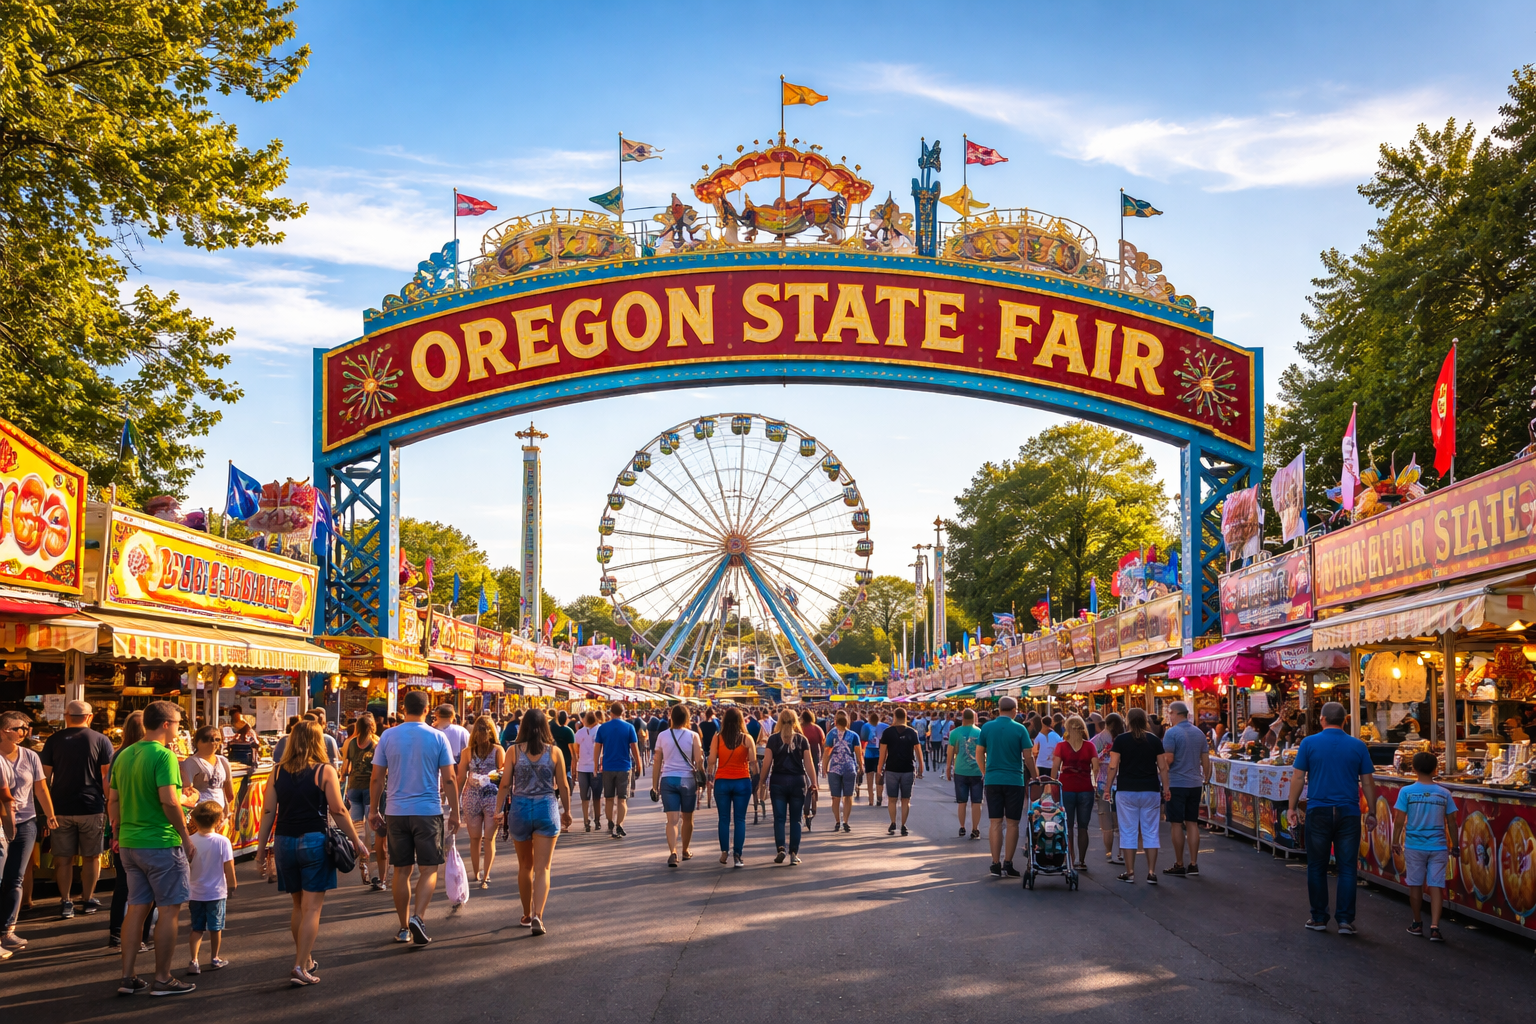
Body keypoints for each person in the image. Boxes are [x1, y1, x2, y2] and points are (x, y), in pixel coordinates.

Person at [256, 721, 364, 986]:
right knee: (312, 908)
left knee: (297, 906)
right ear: (319, 741)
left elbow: (268, 812)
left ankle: (305, 959)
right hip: (314, 841)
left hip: (284, 841)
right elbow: (338, 811)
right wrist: (356, 840)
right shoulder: (324, 771)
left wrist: (260, 850)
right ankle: (299, 966)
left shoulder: (277, 771)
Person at [109, 700, 195, 996]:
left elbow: (114, 799)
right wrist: (184, 835)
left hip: (131, 843)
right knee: (169, 911)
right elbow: (169, 800)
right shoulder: (164, 755)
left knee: (136, 909)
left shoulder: (124, 755)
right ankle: (162, 977)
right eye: (178, 724)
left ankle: (127, 975)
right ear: (166, 724)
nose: (179, 730)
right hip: (159, 841)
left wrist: (117, 831)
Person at [369, 689, 459, 947]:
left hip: (396, 812)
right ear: (428, 708)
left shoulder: (387, 735)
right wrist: (454, 812)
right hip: (428, 811)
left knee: (401, 871)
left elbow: (377, 777)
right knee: (429, 868)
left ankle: (403, 927)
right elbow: (450, 778)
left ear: (403, 708)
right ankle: (418, 916)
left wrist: (373, 810)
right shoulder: (438, 737)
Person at [1288, 701, 1377, 935]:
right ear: (1345, 720)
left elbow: (1298, 778)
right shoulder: (1358, 746)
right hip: (1348, 811)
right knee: (1347, 868)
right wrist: (1373, 811)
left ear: (1322, 719)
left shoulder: (1308, 743)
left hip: (1319, 811)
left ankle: (1318, 918)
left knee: (1316, 866)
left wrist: (1292, 807)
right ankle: (1345, 921)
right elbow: (1367, 781)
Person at [493, 708, 571, 935]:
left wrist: (498, 810)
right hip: (547, 808)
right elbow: (563, 785)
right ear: (546, 727)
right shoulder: (555, 752)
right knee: (543, 867)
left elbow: (505, 784)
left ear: (523, 726)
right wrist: (566, 811)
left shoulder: (513, 751)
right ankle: (539, 915)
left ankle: (527, 914)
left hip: (520, 808)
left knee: (525, 866)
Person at [40, 699, 114, 921]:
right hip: (92, 806)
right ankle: (88, 898)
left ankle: (66, 902)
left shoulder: (53, 741)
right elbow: (107, 776)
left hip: (60, 807)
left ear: (66, 716)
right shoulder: (101, 740)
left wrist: (48, 810)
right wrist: (109, 802)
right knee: (92, 857)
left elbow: (44, 778)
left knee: (63, 858)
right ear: (89, 717)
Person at [0, 709, 54, 954]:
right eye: (19, 728)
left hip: (25, 822)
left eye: (25, 729)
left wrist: (50, 815)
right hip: (1, 822)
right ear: (4, 731)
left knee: (15, 877)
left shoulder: (30, 756)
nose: (24, 733)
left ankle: (7, 930)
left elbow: (41, 788)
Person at [1392, 751, 1457, 942]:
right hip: (1438, 846)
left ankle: (1417, 922)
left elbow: (1399, 820)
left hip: (1414, 845)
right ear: (1436, 769)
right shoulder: (1444, 793)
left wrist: (1395, 840)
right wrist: (1455, 844)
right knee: (1436, 885)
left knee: (1415, 884)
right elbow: (1452, 822)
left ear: (1413, 769)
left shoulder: (1406, 792)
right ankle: (1435, 927)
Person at [1105, 707, 1168, 884]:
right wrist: (1167, 788)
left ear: (1128, 721)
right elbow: (1163, 767)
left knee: (1128, 831)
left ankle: (1130, 872)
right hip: (1150, 789)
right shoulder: (1154, 740)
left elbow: (1113, 766)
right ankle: (1151, 872)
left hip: (1126, 790)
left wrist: (1107, 788)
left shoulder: (1121, 740)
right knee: (1151, 831)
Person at [976, 696, 1037, 878]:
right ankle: (1008, 863)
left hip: (992, 779)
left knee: (995, 822)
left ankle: (995, 863)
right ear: (1015, 710)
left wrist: (984, 771)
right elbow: (1028, 757)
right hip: (1014, 781)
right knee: (1012, 823)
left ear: (998, 709)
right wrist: (1035, 777)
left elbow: (979, 752)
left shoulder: (986, 727)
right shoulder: (1020, 729)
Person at [1160, 701, 1211, 877]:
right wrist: (1206, 778)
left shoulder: (1171, 733)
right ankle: (1194, 863)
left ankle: (1179, 863)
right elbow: (1206, 759)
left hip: (1176, 783)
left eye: (1170, 713)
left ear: (1175, 713)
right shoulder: (1199, 733)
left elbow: (1169, 759)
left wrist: (1158, 765)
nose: (1169, 716)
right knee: (1192, 822)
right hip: (1195, 783)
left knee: (1176, 823)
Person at [184, 800, 235, 974]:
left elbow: (185, 865)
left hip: (195, 892)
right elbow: (228, 866)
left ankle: (193, 960)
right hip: (216, 892)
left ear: (195, 821)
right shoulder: (223, 842)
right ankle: (215, 957)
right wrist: (233, 885)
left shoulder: (189, 841)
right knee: (216, 927)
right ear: (219, 820)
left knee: (196, 928)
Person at [760, 710, 817, 865]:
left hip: (778, 781)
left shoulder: (773, 740)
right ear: (795, 721)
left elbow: (766, 764)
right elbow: (809, 763)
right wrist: (814, 782)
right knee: (796, 819)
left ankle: (781, 848)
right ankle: (794, 852)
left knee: (779, 818)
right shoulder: (802, 740)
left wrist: (762, 782)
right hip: (798, 782)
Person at [456, 715, 504, 889]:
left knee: (477, 838)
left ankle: (480, 874)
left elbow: (461, 778)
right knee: (485, 838)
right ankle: (483, 875)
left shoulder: (470, 752)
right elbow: (503, 776)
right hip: (489, 795)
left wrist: (456, 802)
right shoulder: (497, 750)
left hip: (475, 795)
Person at [651, 704, 701, 867]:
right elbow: (698, 761)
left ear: (671, 717)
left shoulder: (663, 736)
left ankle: (673, 852)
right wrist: (702, 778)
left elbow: (657, 760)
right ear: (687, 718)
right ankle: (685, 850)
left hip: (668, 779)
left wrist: (654, 784)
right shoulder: (693, 735)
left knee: (672, 820)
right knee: (687, 817)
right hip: (687, 779)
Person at [708, 707, 758, 867]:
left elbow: (711, 761)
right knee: (740, 819)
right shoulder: (747, 739)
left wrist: (710, 776)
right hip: (742, 781)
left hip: (722, 781)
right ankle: (737, 855)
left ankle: (724, 851)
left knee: (723, 819)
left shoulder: (718, 737)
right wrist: (757, 780)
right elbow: (753, 762)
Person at [340, 713, 384, 890]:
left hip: (353, 787)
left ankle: (360, 853)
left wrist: (342, 777)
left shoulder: (349, 743)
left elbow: (345, 765)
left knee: (357, 825)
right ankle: (366, 857)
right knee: (369, 827)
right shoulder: (376, 743)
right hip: (370, 788)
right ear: (372, 727)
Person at [1051, 714, 1099, 871]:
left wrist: (1052, 784)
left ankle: (1070, 858)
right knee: (1083, 827)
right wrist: (1094, 781)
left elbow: (1055, 767)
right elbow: (1096, 767)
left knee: (1068, 826)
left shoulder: (1061, 746)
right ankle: (1082, 860)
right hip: (1085, 788)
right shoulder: (1090, 746)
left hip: (1067, 788)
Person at [593, 703, 641, 838]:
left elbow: (597, 747)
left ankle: (610, 821)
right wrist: (639, 764)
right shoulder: (629, 727)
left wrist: (595, 764)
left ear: (611, 713)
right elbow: (634, 748)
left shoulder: (603, 728)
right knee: (622, 799)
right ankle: (619, 824)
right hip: (624, 767)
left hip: (608, 767)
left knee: (608, 798)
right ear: (623, 712)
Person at [877, 707, 923, 836]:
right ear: (906, 716)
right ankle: (903, 825)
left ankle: (893, 822)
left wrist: (879, 769)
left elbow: (883, 753)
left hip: (891, 769)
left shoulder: (887, 732)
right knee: (905, 800)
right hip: (908, 769)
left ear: (894, 717)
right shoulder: (912, 733)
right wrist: (921, 767)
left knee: (892, 799)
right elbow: (918, 751)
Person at [821, 711, 863, 833]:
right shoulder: (854, 735)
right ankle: (846, 821)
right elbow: (858, 753)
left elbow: (827, 752)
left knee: (835, 797)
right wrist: (861, 765)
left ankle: (837, 821)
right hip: (850, 767)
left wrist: (824, 767)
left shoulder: (831, 734)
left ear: (835, 721)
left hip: (834, 768)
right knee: (848, 796)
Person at [946, 708, 984, 840]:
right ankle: (975, 829)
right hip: (977, 771)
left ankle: (962, 827)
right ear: (974, 718)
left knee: (961, 802)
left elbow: (950, 752)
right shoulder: (980, 732)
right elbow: (984, 752)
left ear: (962, 718)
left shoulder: (954, 733)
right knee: (976, 802)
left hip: (960, 771)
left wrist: (948, 769)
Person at [1093, 713, 1124, 864]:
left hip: (1103, 782)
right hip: (1123, 783)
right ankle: (1122, 853)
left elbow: (1091, 756)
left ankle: (1109, 852)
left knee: (1106, 820)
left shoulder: (1099, 738)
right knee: (1123, 820)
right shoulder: (1125, 738)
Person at [180, 726, 235, 810]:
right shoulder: (192, 762)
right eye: (207, 739)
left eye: (217, 739)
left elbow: (229, 794)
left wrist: (226, 812)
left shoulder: (223, 761)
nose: (213, 743)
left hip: (219, 813)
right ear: (197, 742)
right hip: (199, 813)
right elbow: (187, 792)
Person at [572, 711, 603, 831]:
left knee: (584, 797)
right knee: (597, 796)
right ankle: (597, 820)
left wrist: (580, 758)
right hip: (596, 767)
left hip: (583, 768)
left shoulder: (580, 732)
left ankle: (586, 821)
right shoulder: (601, 729)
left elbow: (576, 748)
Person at [799, 710, 824, 830]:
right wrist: (823, 756)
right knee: (812, 777)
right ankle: (813, 798)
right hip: (814, 755)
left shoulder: (799, 728)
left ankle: (804, 803)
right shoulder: (817, 728)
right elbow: (822, 742)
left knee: (803, 778)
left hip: (800, 756)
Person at [860, 710, 883, 807]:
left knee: (869, 778)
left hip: (869, 753)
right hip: (880, 754)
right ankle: (879, 797)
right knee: (879, 775)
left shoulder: (866, 726)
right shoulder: (883, 726)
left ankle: (870, 799)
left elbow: (863, 739)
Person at [697, 708, 719, 810]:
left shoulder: (701, 725)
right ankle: (710, 796)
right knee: (711, 773)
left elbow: (699, 738)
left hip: (704, 751)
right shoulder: (715, 725)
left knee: (702, 771)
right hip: (713, 752)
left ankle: (701, 792)